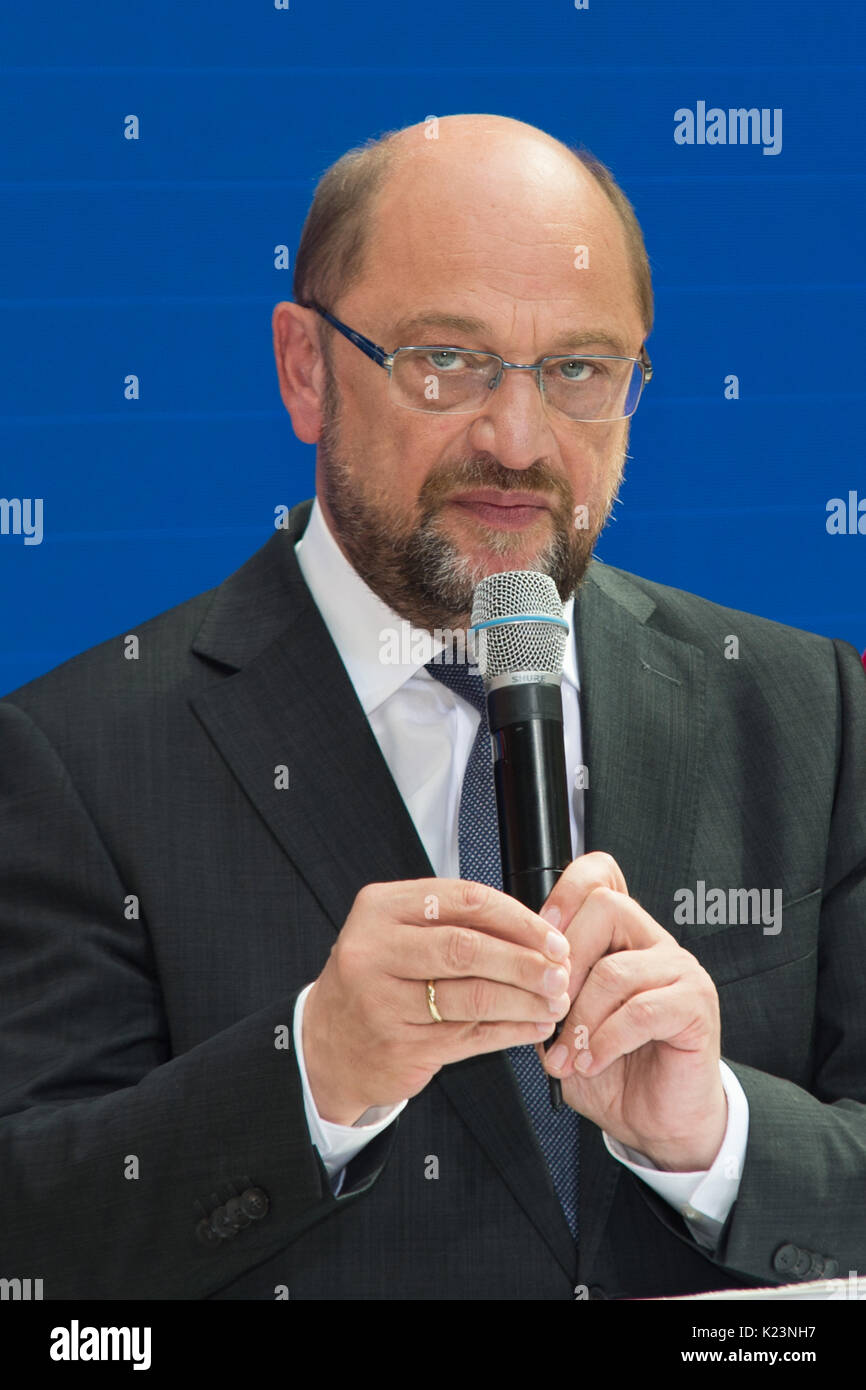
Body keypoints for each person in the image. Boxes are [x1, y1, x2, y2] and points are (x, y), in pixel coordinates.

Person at [1, 114, 864, 1302]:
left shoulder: (806, 707)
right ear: (306, 368)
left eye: (577, 370)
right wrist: (312, 1071)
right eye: (444, 361)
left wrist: (712, 1134)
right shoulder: (74, 754)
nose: (517, 441)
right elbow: (30, 1239)